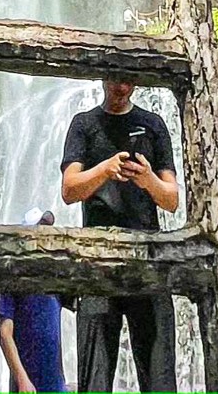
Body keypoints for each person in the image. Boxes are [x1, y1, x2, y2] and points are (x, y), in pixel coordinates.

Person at [59, 76, 180, 392]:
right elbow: (69, 190)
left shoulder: (153, 124)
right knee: (94, 381)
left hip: (149, 263)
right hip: (97, 262)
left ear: (137, 82)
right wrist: (105, 170)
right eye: (115, 79)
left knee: (160, 380)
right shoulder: (83, 124)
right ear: (103, 78)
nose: (121, 87)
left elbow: (172, 199)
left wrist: (148, 180)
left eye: (128, 81)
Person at [0, 209, 67, 394]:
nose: (45, 235)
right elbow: (5, 334)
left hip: (56, 386)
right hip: (28, 386)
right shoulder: (12, 277)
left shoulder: (54, 277)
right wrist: (22, 379)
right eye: (40, 228)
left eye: (48, 229)